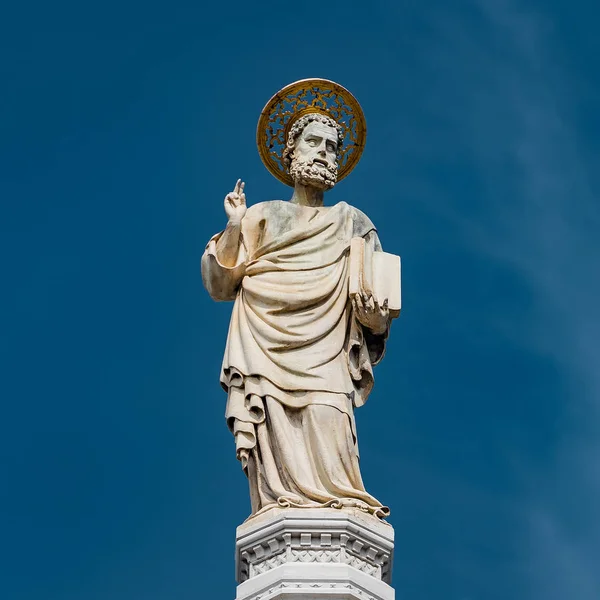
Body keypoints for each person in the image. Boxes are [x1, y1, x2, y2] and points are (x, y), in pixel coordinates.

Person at [202, 113, 391, 519]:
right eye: (313, 143)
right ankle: (277, 504)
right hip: (264, 350)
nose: (323, 153)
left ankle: (338, 505)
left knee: (330, 428)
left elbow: (377, 309)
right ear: (290, 154)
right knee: (275, 452)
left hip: (327, 355)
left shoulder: (354, 224)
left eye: (331, 146)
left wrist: (374, 320)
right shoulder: (262, 216)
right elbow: (221, 283)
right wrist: (234, 225)